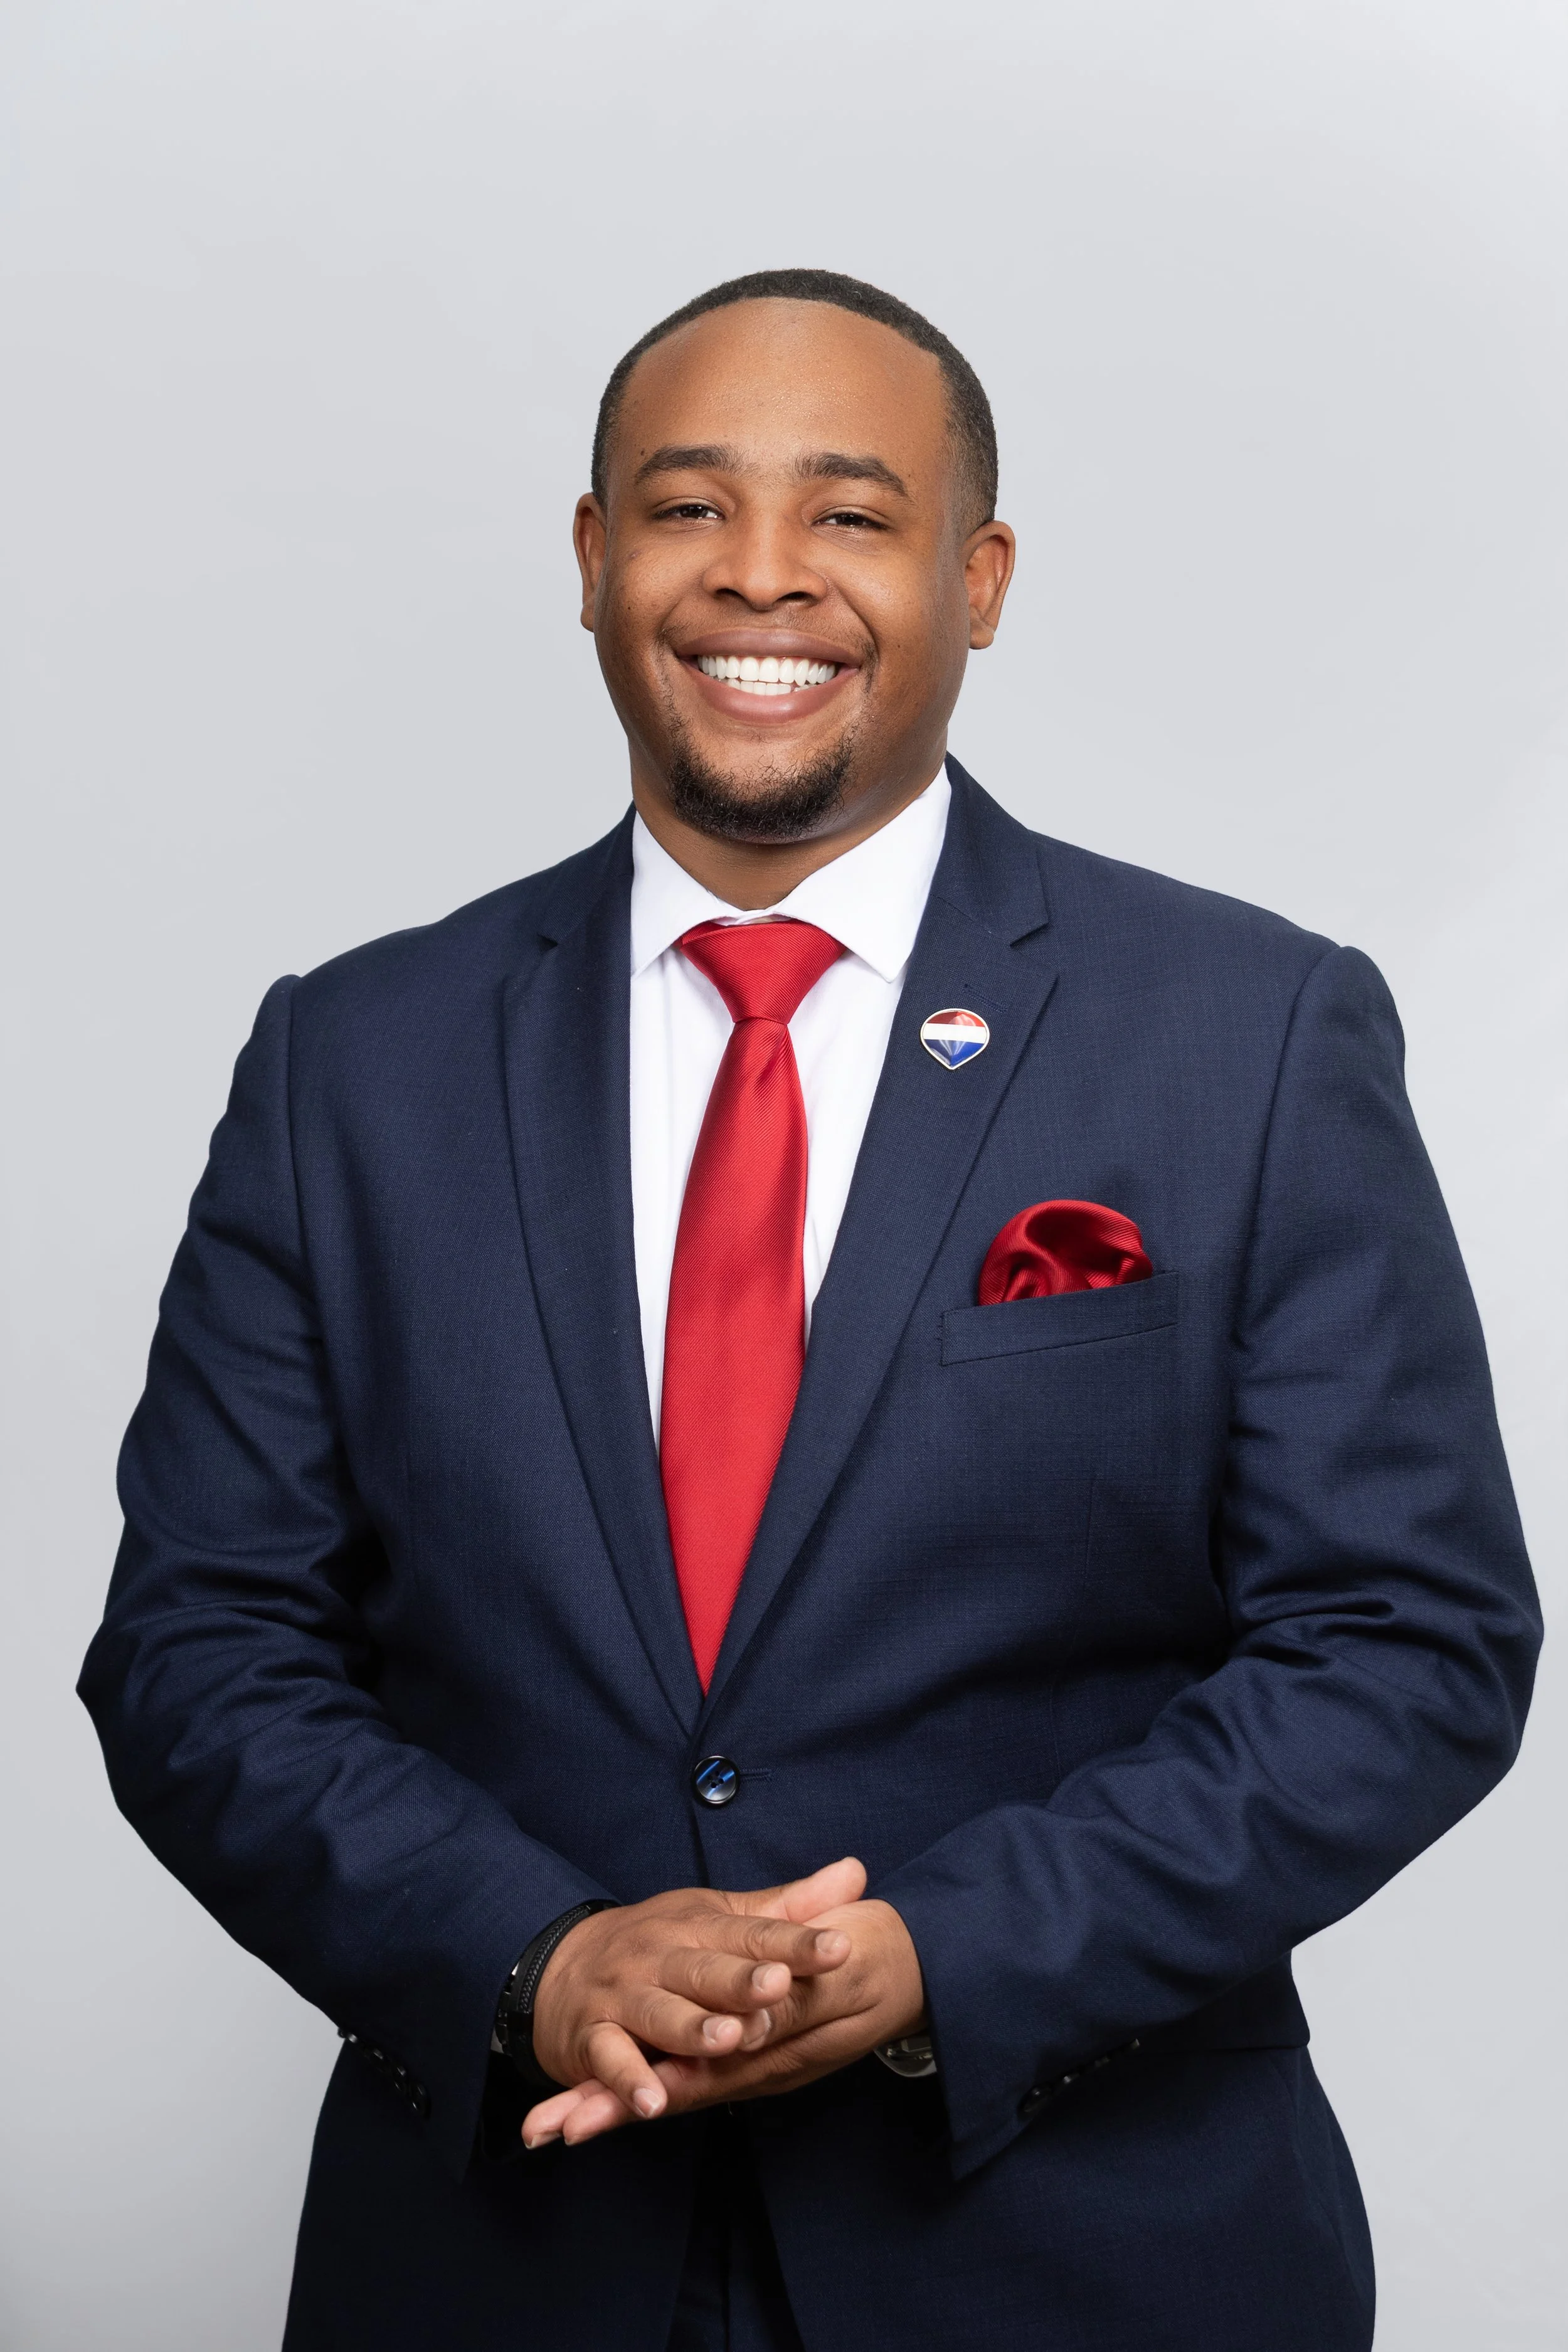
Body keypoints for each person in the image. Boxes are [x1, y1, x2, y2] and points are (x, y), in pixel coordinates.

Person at [80, 268, 1540, 2352]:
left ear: (979, 575)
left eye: (850, 514)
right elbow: (200, 1642)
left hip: (1090, 2257)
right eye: (685, 508)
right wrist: (535, 1955)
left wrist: (947, 1948)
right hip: (501, 2266)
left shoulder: (1244, 1033)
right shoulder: (353, 1059)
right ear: (593, 562)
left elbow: (1410, 1635)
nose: (760, 578)